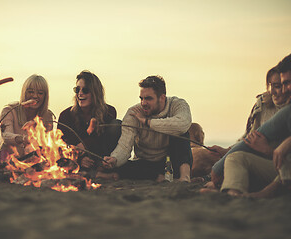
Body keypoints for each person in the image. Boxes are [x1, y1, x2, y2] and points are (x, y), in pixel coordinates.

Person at [204, 53, 291, 196]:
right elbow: (249, 138)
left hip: (279, 165)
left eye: (284, 84)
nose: (282, 90)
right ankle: (233, 194)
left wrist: (270, 149)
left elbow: (279, 153)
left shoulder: (286, 112)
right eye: (275, 86)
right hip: (269, 163)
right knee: (235, 158)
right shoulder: (264, 107)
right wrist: (226, 151)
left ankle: (253, 195)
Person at [103, 75, 193, 182]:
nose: (143, 103)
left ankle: (184, 177)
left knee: (181, 134)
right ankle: (159, 178)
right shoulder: (134, 113)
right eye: (141, 98)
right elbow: (125, 145)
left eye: (148, 98)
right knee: (124, 167)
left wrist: (148, 122)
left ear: (162, 98)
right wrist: (115, 159)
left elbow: (182, 124)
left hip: (170, 162)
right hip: (145, 163)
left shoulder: (177, 105)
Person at [57, 70, 120, 178]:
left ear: (95, 93)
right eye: (77, 90)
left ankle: (98, 170)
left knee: (116, 125)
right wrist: (80, 159)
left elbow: (103, 140)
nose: (80, 93)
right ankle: (94, 173)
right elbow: (63, 145)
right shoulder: (66, 115)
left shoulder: (109, 111)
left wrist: (85, 145)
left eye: (85, 90)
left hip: (101, 157)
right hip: (76, 160)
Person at [0, 74, 55, 162]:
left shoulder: (47, 116)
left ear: (45, 96)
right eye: (30, 92)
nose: (35, 96)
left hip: (33, 160)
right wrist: (23, 139)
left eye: (40, 93)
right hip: (7, 159)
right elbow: (6, 136)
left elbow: (46, 144)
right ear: (24, 93)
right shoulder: (10, 110)